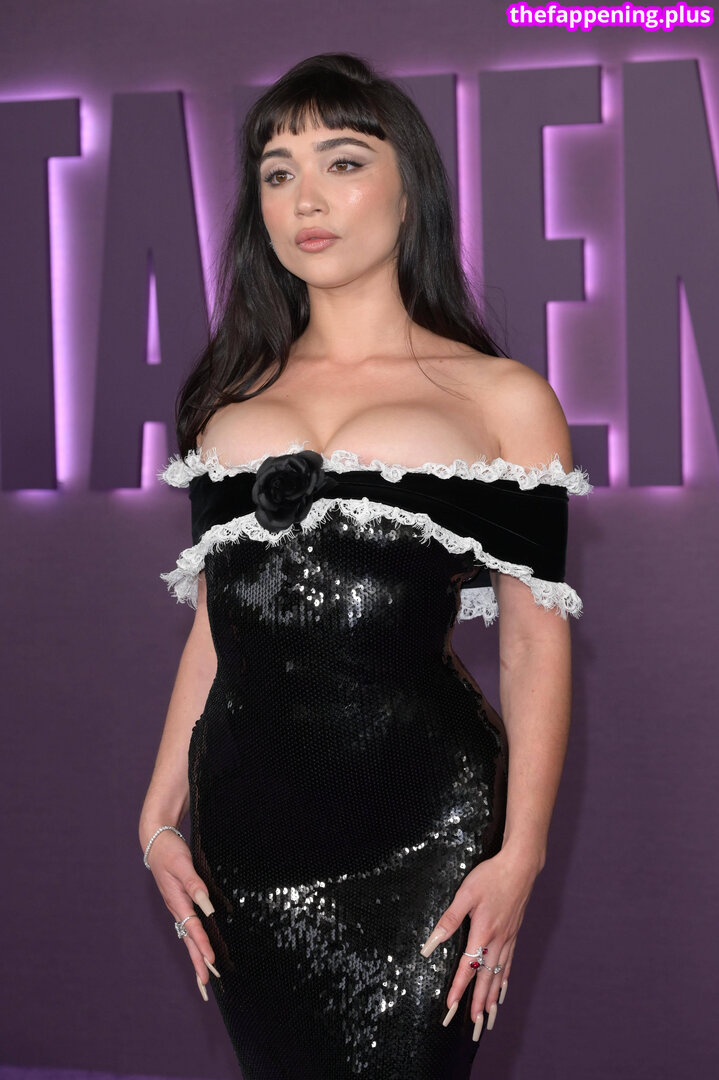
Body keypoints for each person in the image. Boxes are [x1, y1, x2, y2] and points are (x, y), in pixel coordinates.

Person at [139, 51, 593, 1080]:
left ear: (408, 189)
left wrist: (519, 854)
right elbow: (217, 627)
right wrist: (157, 815)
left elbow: (532, 643)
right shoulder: (225, 404)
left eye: (341, 162)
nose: (306, 198)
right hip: (246, 839)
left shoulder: (502, 399)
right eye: (278, 173)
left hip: (427, 832)